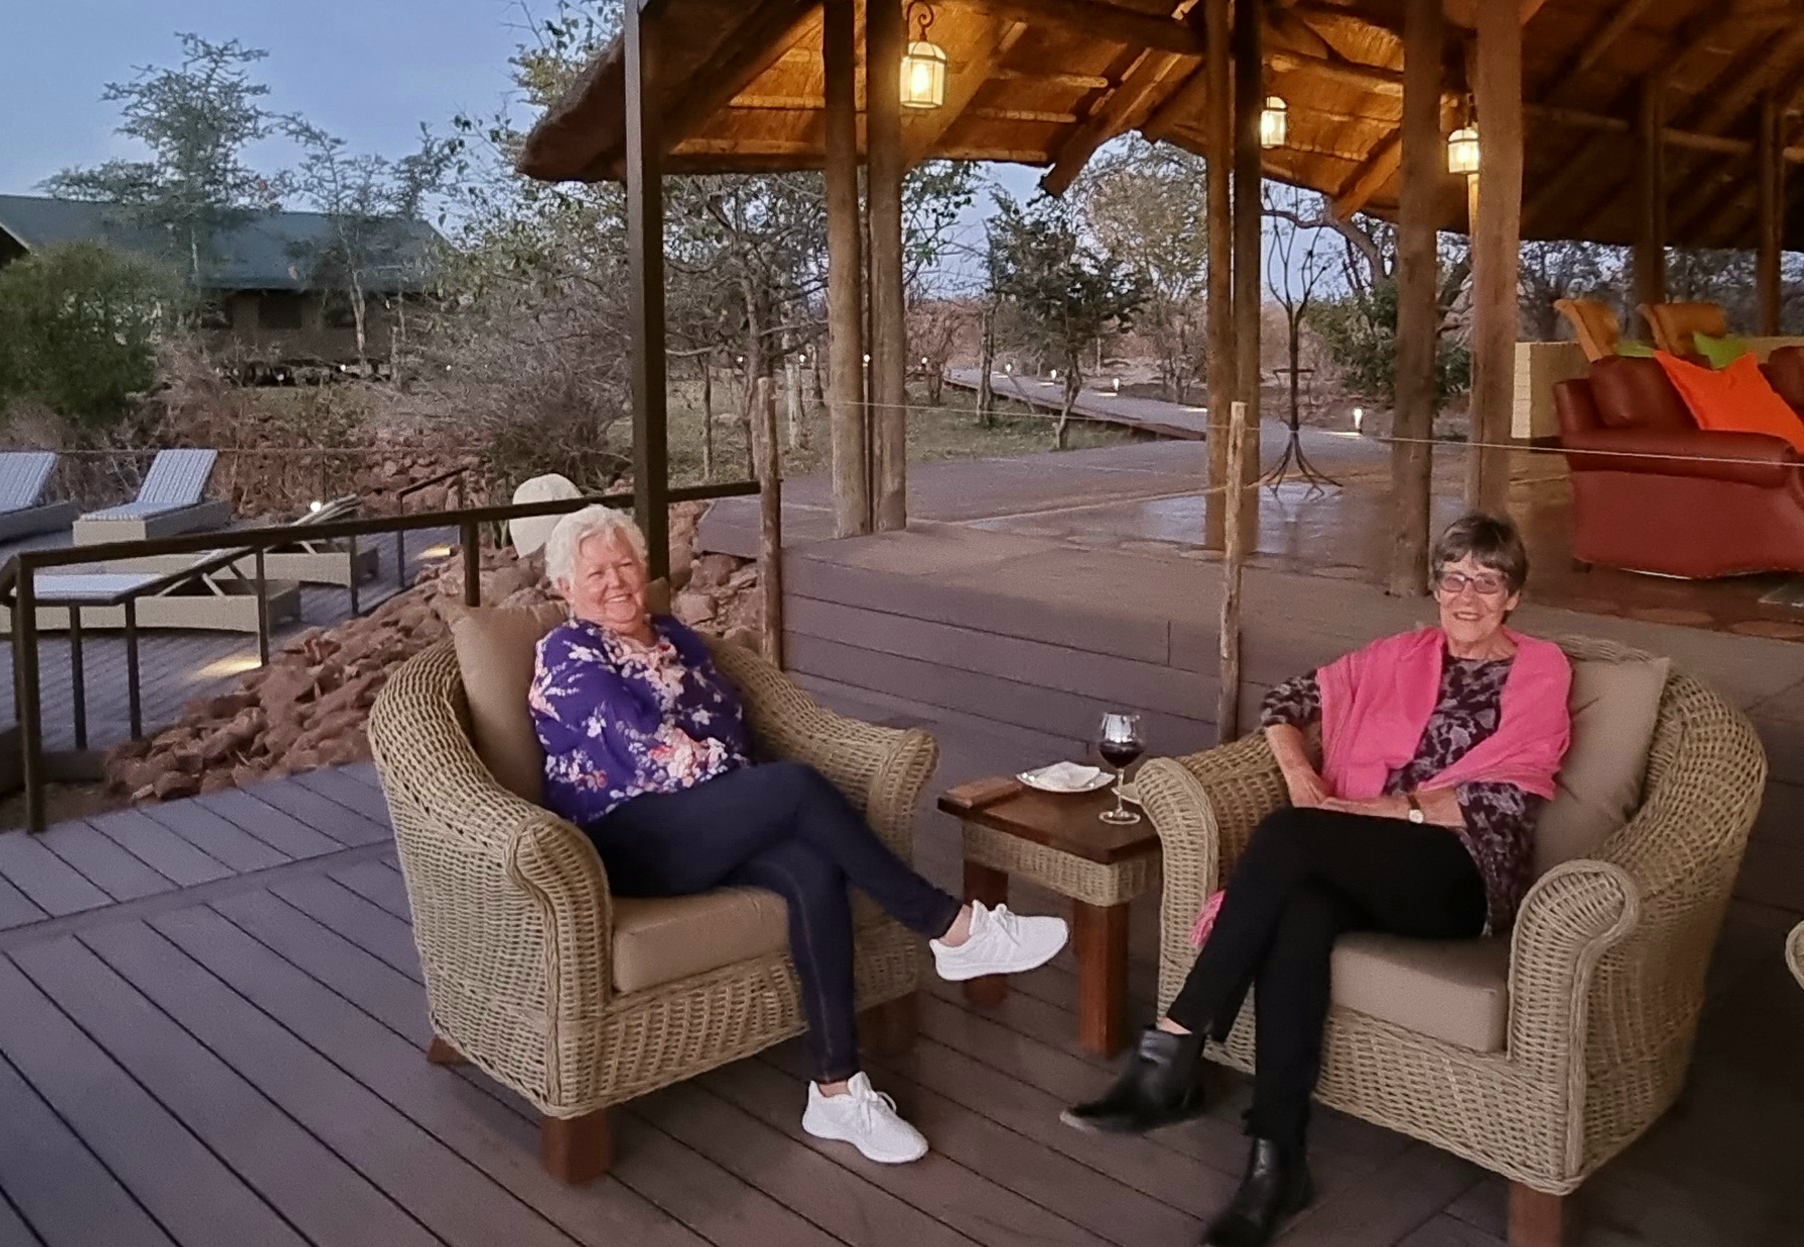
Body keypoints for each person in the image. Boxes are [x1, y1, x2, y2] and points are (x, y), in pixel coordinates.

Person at [1066, 513, 1570, 1247]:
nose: (1467, 596)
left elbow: (1508, 797)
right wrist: (1302, 776)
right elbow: (1286, 702)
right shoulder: (1401, 653)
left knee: (1290, 837)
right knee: (1301, 909)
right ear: (1435, 587)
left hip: (1462, 872)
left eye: (1487, 583)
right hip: (1363, 852)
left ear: (1513, 597)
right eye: (1454, 578)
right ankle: (1277, 1161)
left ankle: (1172, 1049)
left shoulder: (1541, 670)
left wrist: (1379, 809)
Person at [527, 504, 1069, 1166]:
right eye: (596, 573)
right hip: (627, 838)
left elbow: (728, 720)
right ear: (566, 588)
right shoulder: (568, 654)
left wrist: (741, 791)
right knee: (794, 789)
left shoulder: (671, 637)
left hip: (704, 820)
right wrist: (751, 791)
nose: (616, 581)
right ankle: (949, 927)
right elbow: (647, 750)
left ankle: (837, 1089)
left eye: (626, 564)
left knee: (813, 869)